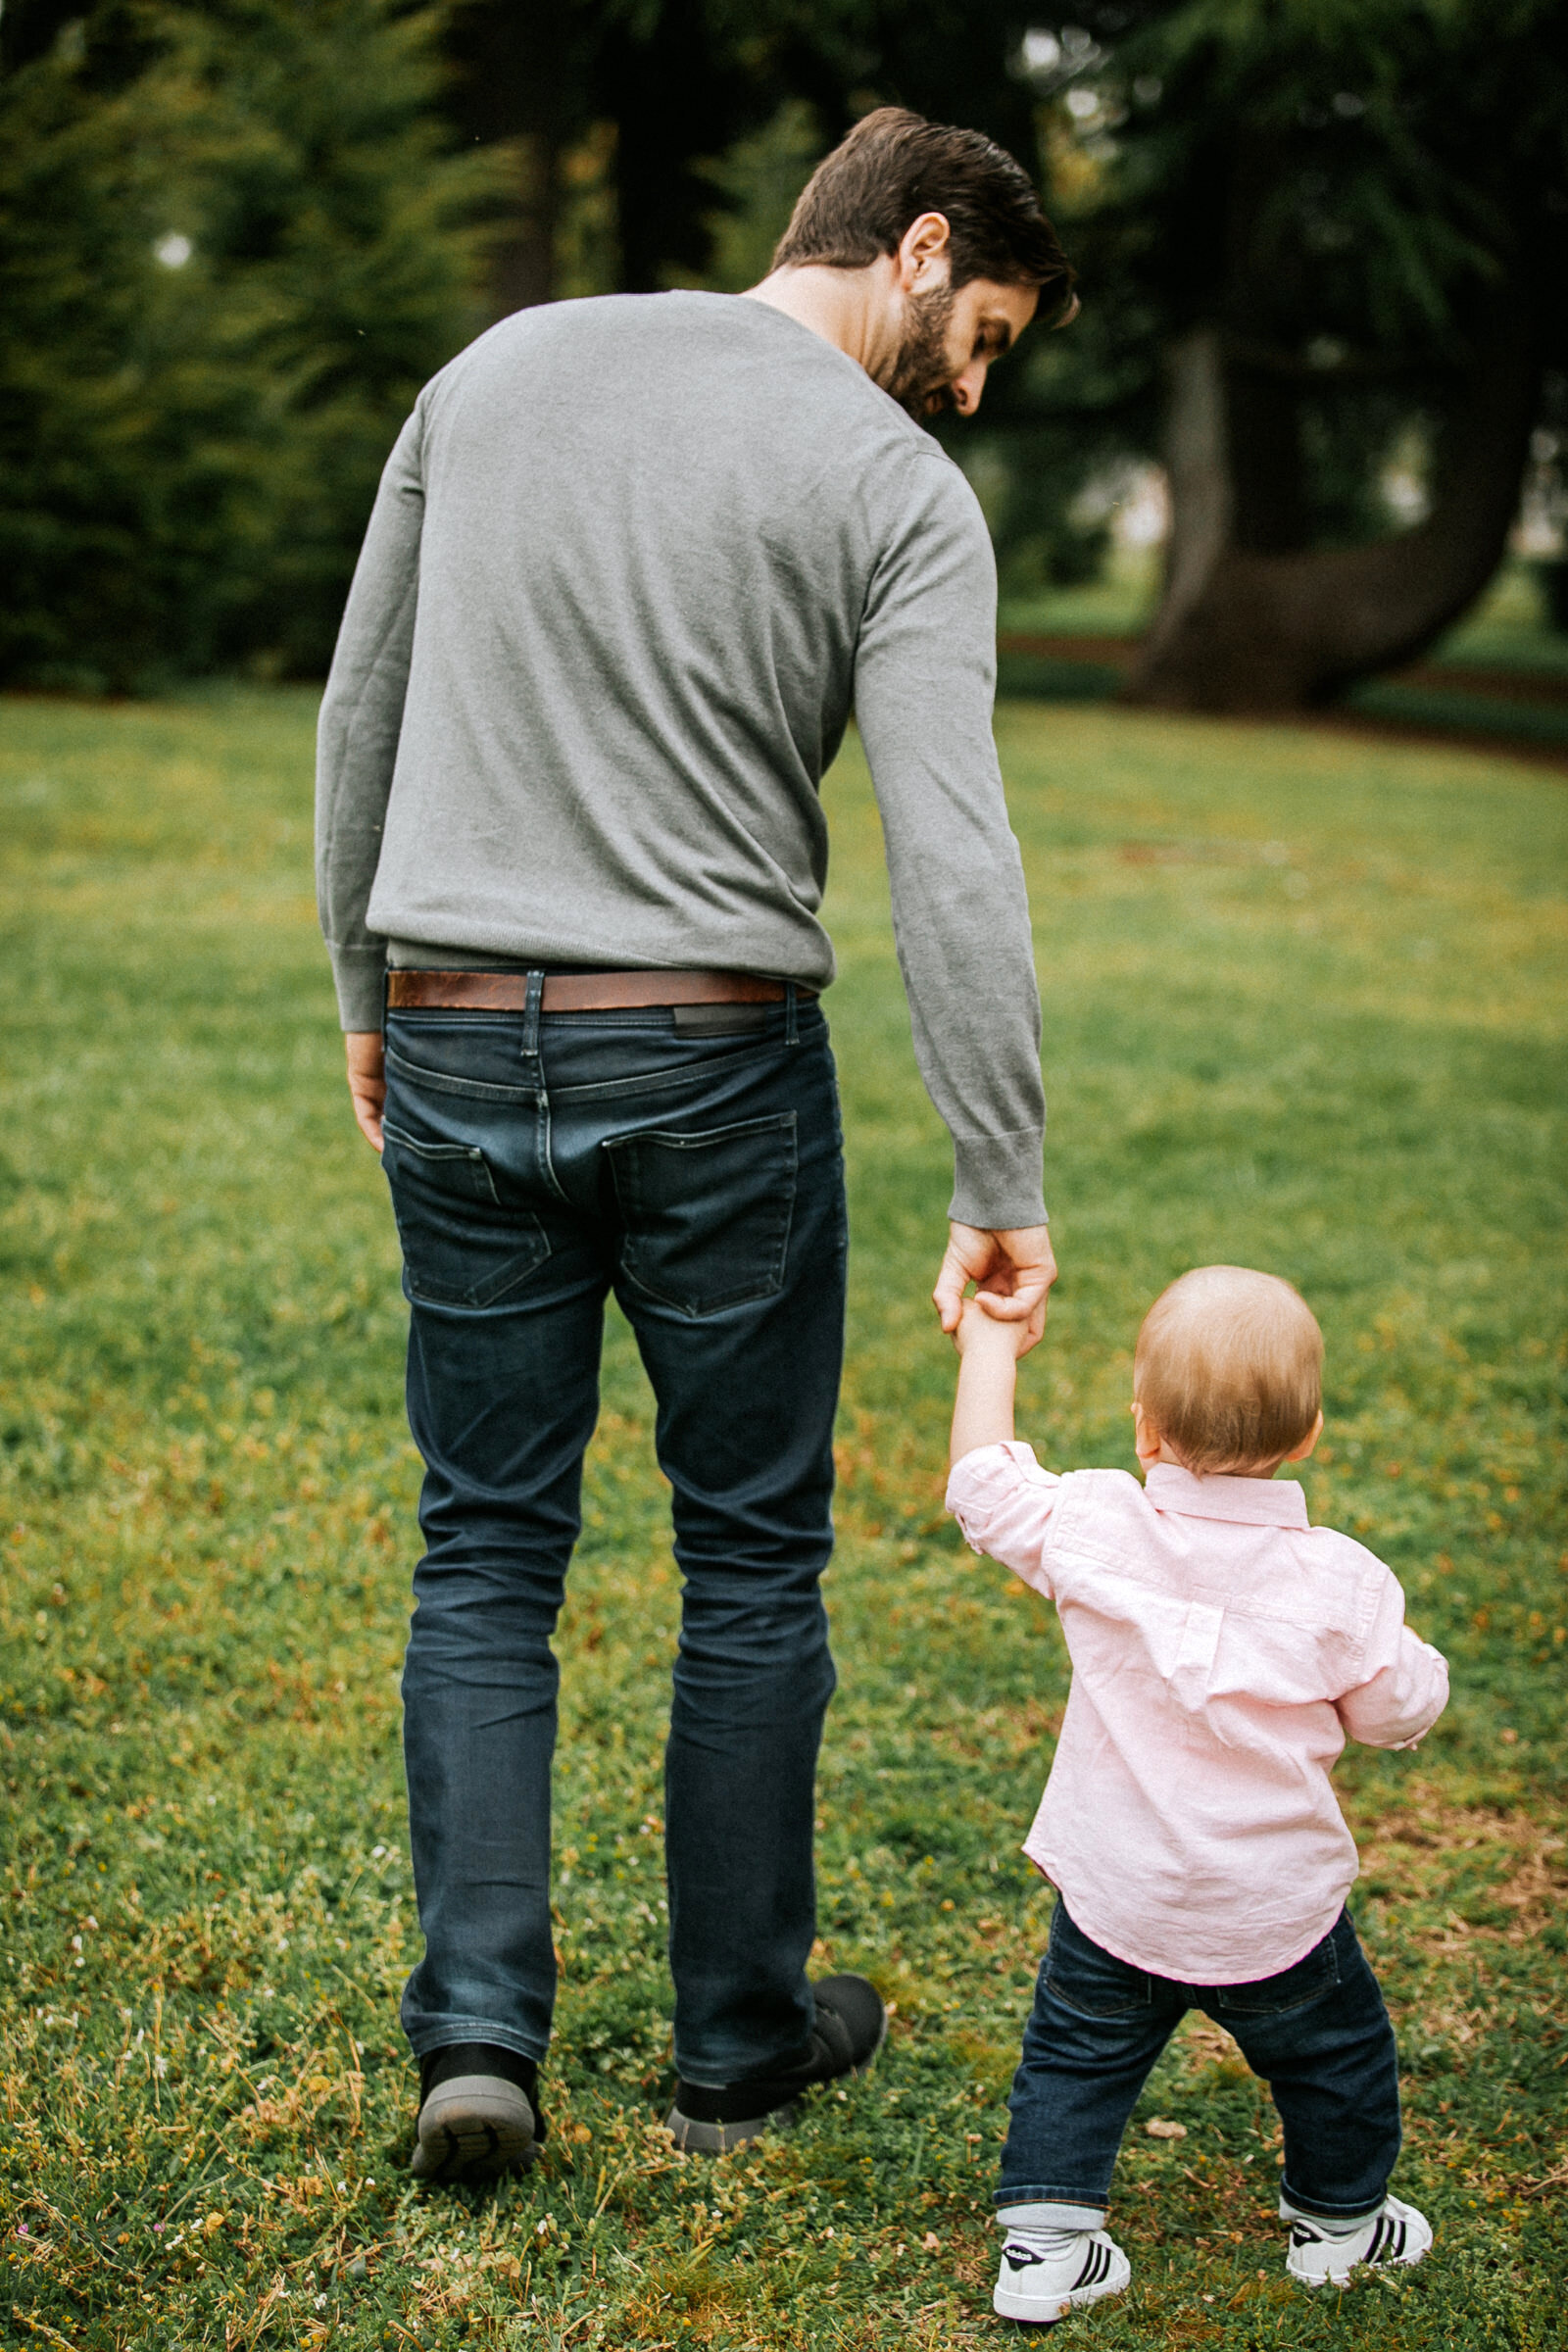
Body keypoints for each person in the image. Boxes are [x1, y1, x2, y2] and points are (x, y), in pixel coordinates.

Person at [315, 106, 1076, 2180]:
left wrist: (369, 999)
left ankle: (476, 2038)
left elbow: (356, 717)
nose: (978, 386)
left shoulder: (494, 373)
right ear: (917, 252)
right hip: (718, 1060)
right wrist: (998, 1176)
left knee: (485, 1545)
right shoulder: (888, 485)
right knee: (747, 1557)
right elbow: (953, 858)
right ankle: (735, 2040)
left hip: (462, 1036)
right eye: (987, 332)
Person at [945, 1265, 1448, 2324]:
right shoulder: (1341, 1586)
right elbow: (1397, 1710)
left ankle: (1043, 2249)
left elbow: (983, 1487)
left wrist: (991, 1342)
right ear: (1306, 1437)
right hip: (1276, 1908)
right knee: (1335, 2057)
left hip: (1115, 1894)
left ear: (1145, 1430)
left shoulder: (1094, 1527)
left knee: (1076, 2058)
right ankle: (1342, 2224)